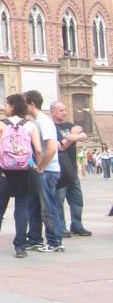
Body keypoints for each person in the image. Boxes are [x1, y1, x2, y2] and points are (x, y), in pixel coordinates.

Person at [0, 94, 41, 258]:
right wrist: (37, 167)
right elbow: (38, 149)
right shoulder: (30, 125)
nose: (4, 107)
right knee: (22, 209)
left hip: (5, 172)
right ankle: (20, 248)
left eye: (6, 104)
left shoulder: (1, 124)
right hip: (25, 171)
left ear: (12, 106)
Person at [25, 90, 63, 253]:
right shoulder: (37, 121)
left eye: (25, 103)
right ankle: (34, 238)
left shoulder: (43, 122)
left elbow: (52, 148)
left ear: (32, 104)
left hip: (47, 171)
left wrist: (41, 167)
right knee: (34, 204)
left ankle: (55, 240)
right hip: (40, 170)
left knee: (48, 206)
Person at [50, 101, 92, 237]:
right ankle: (61, 227)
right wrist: (70, 139)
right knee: (59, 200)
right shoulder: (51, 127)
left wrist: (73, 136)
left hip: (72, 170)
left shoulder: (69, 125)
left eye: (64, 110)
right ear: (53, 112)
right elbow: (60, 146)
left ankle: (77, 225)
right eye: (61, 110)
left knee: (77, 199)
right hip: (59, 170)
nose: (64, 112)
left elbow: (84, 136)